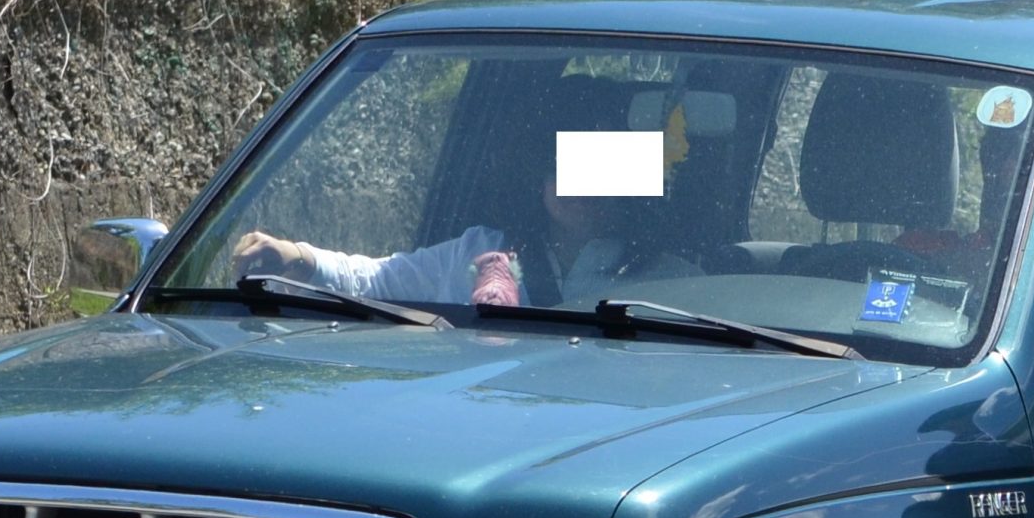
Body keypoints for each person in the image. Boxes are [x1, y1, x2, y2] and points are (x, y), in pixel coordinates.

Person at [232, 173, 693, 308]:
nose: (583, 185)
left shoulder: (671, 279)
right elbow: (377, 279)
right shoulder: (477, 249)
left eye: (605, 169)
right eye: (566, 167)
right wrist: (296, 258)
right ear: (538, 177)